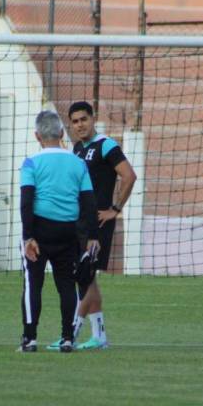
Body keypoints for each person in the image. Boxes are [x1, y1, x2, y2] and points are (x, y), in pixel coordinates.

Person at [49, 101, 137, 351]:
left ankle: (72, 334)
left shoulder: (106, 145)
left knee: (84, 276)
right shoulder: (77, 149)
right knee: (88, 279)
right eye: (75, 121)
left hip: (96, 225)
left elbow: (129, 176)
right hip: (79, 223)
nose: (79, 125)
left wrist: (115, 209)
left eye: (83, 119)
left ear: (92, 119)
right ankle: (99, 336)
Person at [18, 110, 100, 353]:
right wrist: (92, 236)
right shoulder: (78, 163)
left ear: (37, 136)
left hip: (40, 230)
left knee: (33, 283)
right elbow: (89, 202)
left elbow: (26, 201)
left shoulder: (31, 163)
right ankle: (67, 338)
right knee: (66, 285)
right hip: (68, 232)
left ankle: (29, 339)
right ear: (62, 133)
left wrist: (28, 237)